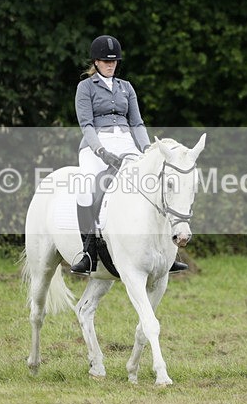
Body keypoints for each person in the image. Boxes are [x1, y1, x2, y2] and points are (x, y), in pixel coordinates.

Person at [70, 34, 188, 275]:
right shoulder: (85, 87)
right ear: (96, 62)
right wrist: (101, 151)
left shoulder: (126, 87)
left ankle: (167, 252)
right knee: (86, 187)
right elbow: (86, 125)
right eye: (106, 61)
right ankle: (88, 252)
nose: (110, 65)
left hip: (126, 143)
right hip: (96, 145)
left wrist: (147, 150)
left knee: (152, 184)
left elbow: (137, 123)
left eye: (114, 61)